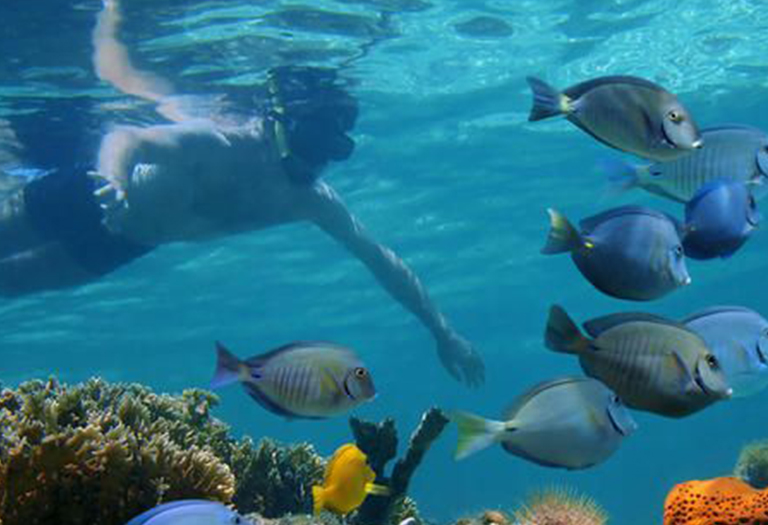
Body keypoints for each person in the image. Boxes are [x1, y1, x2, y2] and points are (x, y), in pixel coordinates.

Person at [0, 0, 484, 386]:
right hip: (87, 192)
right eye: (311, 145)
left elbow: (380, 258)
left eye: (331, 153)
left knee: (10, 285)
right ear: (282, 126)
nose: (316, 164)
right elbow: (125, 137)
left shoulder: (309, 198)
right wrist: (114, 180)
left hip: (123, 243)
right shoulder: (221, 142)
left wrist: (442, 331)